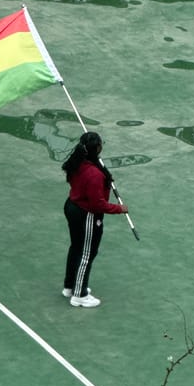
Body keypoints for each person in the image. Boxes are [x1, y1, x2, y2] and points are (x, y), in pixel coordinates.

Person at [61, 131, 128, 308]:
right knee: (87, 253)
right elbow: (98, 205)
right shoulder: (94, 175)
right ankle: (80, 295)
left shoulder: (78, 162)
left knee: (76, 247)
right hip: (87, 215)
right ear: (97, 148)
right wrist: (119, 209)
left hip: (72, 206)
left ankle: (70, 286)